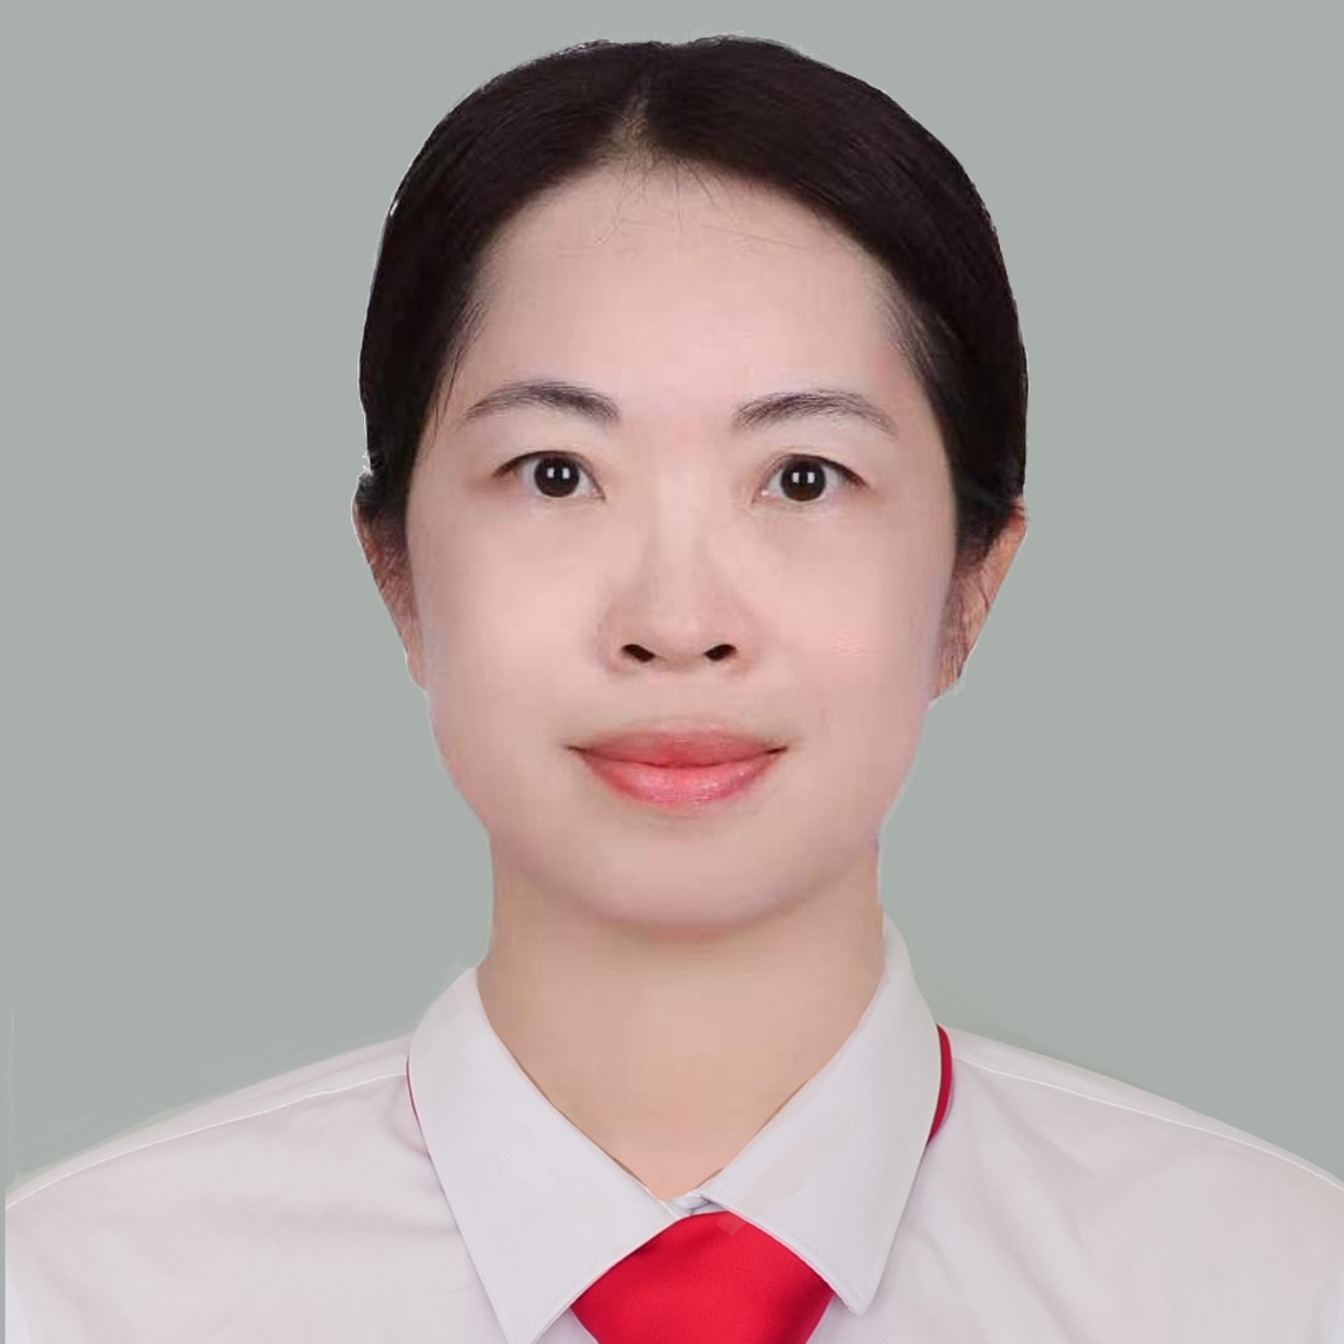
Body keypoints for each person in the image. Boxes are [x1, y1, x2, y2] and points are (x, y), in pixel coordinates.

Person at [6, 33, 1342, 1344]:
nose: (677, 624)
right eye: (555, 474)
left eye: (805, 479)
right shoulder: (80, 1301)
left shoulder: (1272, 1294)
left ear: (971, 584)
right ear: (396, 570)